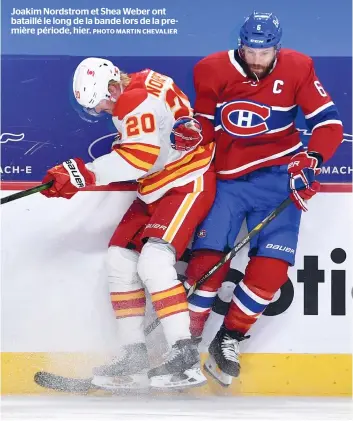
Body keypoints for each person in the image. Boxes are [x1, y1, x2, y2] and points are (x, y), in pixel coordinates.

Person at [172, 11, 343, 386]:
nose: (256, 60)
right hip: (228, 179)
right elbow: (203, 122)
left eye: (264, 53)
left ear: (276, 49)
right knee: (205, 264)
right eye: (250, 50)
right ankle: (185, 343)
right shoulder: (211, 69)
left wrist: (311, 158)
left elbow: (329, 124)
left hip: (280, 181)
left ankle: (228, 338)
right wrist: (190, 134)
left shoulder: (299, 67)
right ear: (241, 44)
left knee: (272, 272)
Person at [40, 57, 216, 391]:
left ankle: (184, 354)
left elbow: (140, 158)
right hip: (156, 186)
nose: (105, 110)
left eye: (103, 101)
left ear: (112, 84)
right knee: (119, 259)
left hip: (186, 181)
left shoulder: (132, 100)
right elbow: (158, 140)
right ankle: (134, 354)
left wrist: (82, 174)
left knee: (154, 261)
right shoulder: (144, 79)